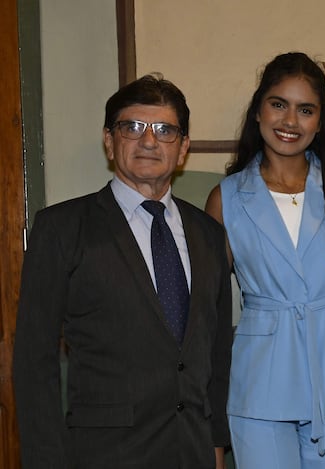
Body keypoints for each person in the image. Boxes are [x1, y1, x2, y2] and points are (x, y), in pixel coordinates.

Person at [13, 74, 233, 468]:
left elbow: (217, 353)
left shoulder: (209, 235)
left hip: (192, 452)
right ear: (109, 141)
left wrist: (216, 443)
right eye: (132, 127)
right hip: (103, 455)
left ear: (183, 149)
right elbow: (34, 362)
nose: (148, 140)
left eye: (165, 130)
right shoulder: (62, 228)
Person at [205, 52, 325, 468]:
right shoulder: (226, 198)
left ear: (319, 122)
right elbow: (207, 308)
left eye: (306, 110)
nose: (290, 121)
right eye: (279, 104)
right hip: (259, 380)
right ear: (258, 110)